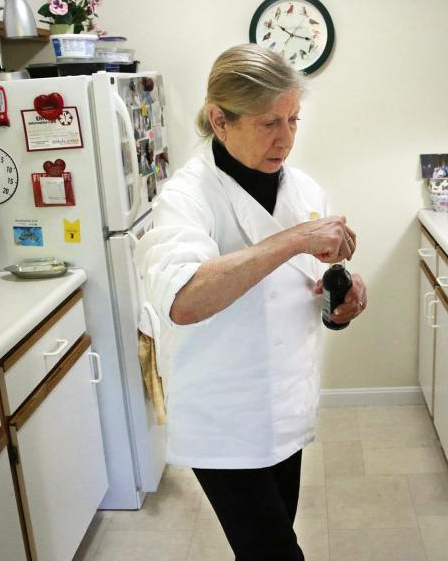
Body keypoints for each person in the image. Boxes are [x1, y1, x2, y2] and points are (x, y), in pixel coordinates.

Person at [135, 44, 367, 561]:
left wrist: (340, 299)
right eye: (268, 123)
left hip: (285, 405)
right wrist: (296, 238)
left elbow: (314, 286)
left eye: (293, 119)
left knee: (267, 544)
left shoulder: (303, 189)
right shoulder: (185, 197)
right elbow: (185, 301)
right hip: (225, 417)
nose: (285, 138)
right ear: (220, 120)